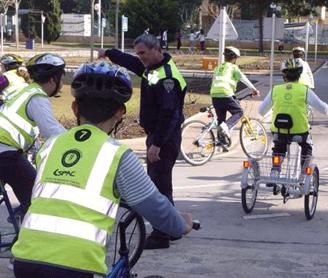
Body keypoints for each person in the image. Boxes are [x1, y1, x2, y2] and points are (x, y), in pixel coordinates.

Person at [12, 61, 194, 278]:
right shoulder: (118, 156)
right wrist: (181, 225)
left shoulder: (50, 146)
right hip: (73, 265)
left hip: (25, 259)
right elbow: (156, 207)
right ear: (120, 113)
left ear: (75, 108)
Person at [98, 33, 186, 250]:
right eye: (138, 53)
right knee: (162, 183)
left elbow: (169, 115)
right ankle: (171, 229)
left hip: (163, 138)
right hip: (158, 136)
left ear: (156, 49)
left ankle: (161, 234)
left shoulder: (167, 78)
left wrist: (156, 144)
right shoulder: (153, 69)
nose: (140, 58)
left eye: (143, 53)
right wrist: (110, 53)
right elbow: (133, 64)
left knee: (158, 185)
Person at [0, 53, 66, 215]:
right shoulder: (37, 97)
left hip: (5, 151)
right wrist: (83, 142)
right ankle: (26, 233)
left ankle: (21, 218)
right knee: (37, 200)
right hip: (4, 153)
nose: (63, 84)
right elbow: (53, 132)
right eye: (61, 79)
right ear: (53, 79)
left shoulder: (26, 91)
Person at [258, 58, 328, 175]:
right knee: (307, 147)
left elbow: (261, 110)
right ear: (299, 75)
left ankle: (275, 169)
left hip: (279, 131)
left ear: (284, 75)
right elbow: (322, 107)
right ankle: (303, 174)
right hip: (299, 131)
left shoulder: (275, 90)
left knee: (279, 148)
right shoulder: (304, 90)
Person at [210, 46, 259, 148]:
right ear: (234, 58)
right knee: (239, 112)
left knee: (221, 119)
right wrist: (254, 89)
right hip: (225, 93)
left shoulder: (218, 68)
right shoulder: (233, 68)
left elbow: (215, 81)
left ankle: (222, 142)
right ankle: (226, 127)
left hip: (214, 95)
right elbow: (243, 78)